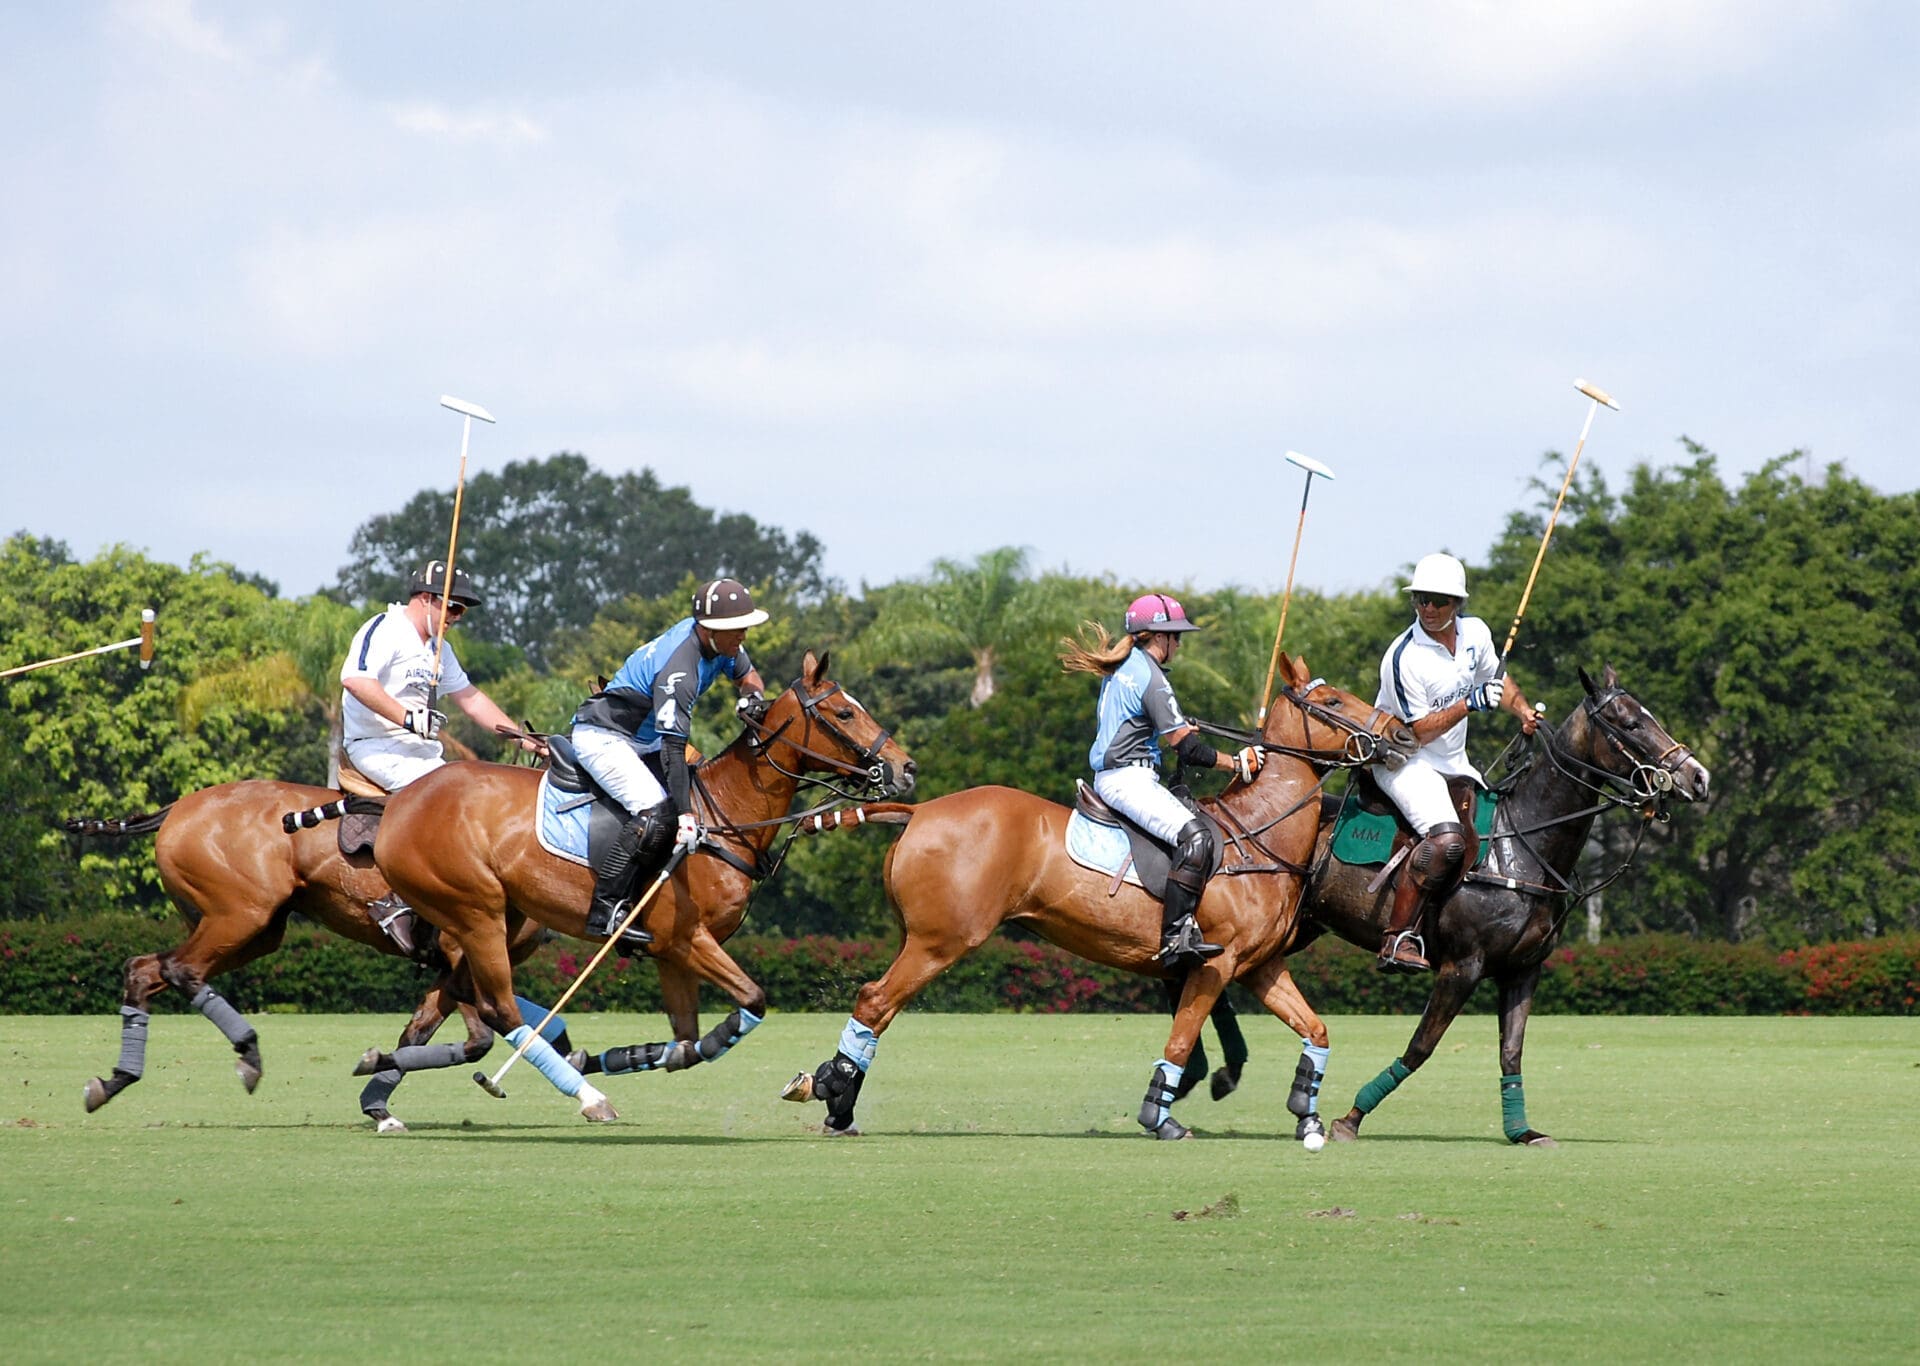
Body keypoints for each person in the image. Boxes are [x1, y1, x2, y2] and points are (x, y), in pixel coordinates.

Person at [339, 559, 533, 955]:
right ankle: (400, 900)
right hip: (376, 746)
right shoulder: (385, 629)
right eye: (454, 607)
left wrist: (527, 741)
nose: (457, 618)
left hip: (422, 754)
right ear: (426, 599)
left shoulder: (438, 649)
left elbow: (472, 700)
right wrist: (407, 717)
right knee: (444, 803)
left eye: (461, 610)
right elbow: (355, 679)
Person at [1060, 594, 1263, 968]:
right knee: (1196, 837)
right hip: (1127, 779)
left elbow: (1146, 728)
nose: (1179, 644)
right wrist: (1236, 763)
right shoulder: (1151, 677)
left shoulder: (1125, 665)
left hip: (1118, 775)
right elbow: (1187, 749)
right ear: (1158, 636)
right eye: (1176, 636)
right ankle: (1176, 935)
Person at [568, 578, 771, 948]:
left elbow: (748, 676)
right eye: (738, 628)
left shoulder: (722, 644)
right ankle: (607, 908)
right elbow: (673, 751)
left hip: (643, 741)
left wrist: (751, 697)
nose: (744, 634)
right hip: (605, 736)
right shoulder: (681, 668)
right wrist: (686, 817)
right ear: (711, 629)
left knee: (700, 800)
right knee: (656, 811)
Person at [1372, 552, 1538, 973]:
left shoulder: (1476, 634)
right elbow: (1417, 731)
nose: (1428, 608)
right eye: (1421, 599)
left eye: (1438, 601)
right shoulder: (1403, 656)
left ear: (1457, 605)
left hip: (1454, 761)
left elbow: (1497, 683)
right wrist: (1469, 703)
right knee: (1447, 840)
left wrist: (1521, 711)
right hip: (1404, 759)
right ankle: (1396, 938)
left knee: (1500, 830)